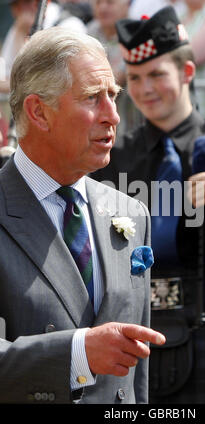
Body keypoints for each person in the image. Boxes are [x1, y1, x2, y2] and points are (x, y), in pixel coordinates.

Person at [91, 6, 205, 403]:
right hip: (137, 332)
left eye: (157, 74)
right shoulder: (113, 157)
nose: (144, 89)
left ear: (187, 73)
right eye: (135, 78)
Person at [0, 27, 165, 404]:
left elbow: (135, 380)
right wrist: (78, 352)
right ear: (38, 111)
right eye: (93, 98)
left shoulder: (131, 213)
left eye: (114, 96)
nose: (113, 117)